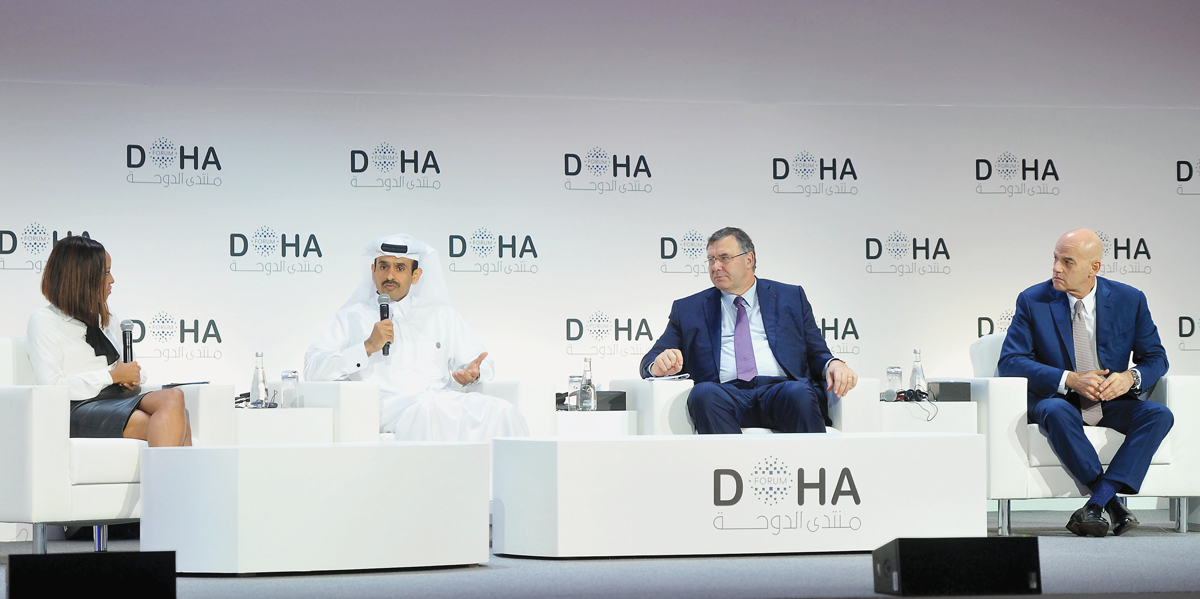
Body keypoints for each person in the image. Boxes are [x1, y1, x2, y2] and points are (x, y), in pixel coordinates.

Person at [998, 228, 1171, 537]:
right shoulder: (1032, 300)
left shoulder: (1130, 300)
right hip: (1060, 400)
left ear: (1094, 268)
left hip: (1111, 401)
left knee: (1159, 414)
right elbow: (1010, 361)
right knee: (1055, 410)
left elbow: (1156, 357)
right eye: (1055, 258)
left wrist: (1130, 377)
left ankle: (1097, 504)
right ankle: (1113, 505)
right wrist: (1070, 380)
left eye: (1067, 261)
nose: (1055, 268)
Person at [304, 234, 528, 441]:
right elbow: (313, 369)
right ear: (373, 271)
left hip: (439, 400)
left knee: (502, 411)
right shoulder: (350, 316)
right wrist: (367, 347)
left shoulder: (441, 315)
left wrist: (475, 373)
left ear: (415, 275)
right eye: (383, 267)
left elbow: (482, 361)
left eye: (400, 268)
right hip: (386, 406)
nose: (389, 275)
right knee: (426, 409)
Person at [640, 227, 858, 433]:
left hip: (782, 390)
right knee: (703, 393)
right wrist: (658, 365)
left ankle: (813, 468)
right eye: (711, 260)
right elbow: (649, 362)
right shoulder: (689, 309)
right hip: (725, 394)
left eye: (724, 258)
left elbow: (817, 352)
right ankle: (727, 469)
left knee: (799, 392)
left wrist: (834, 364)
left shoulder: (791, 297)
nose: (715, 266)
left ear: (749, 259)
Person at [26, 236, 190, 446]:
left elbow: (128, 367)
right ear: (82, 277)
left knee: (174, 397)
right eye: (105, 273)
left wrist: (133, 376)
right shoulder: (44, 321)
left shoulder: (106, 317)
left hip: (118, 399)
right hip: (79, 407)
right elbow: (52, 387)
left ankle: (167, 479)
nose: (112, 280)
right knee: (178, 429)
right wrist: (111, 376)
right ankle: (168, 480)